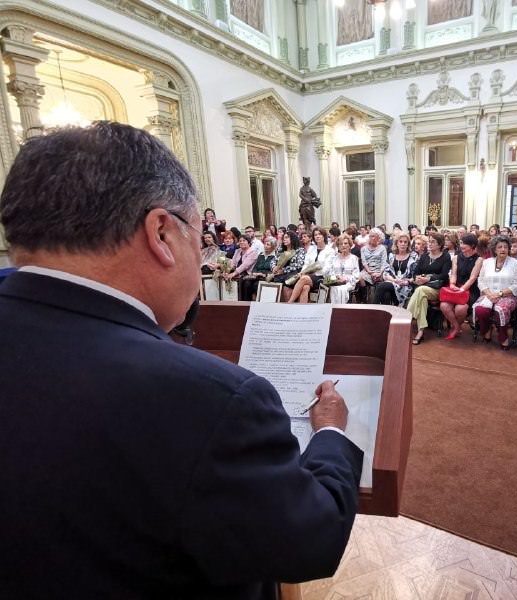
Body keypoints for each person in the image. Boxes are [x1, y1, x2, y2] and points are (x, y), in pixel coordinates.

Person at [0, 123, 362, 599]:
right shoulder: (211, 400)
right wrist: (331, 430)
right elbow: (310, 540)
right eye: (199, 232)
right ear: (162, 232)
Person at [472, 235, 517, 350]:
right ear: (494, 250)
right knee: (480, 309)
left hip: (508, 295)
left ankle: (503, 336)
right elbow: (480, 280)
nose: (503, 249)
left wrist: (500, 294)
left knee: (500, 310)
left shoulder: (515, 264)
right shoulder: (487, 262)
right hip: (488, 294)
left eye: (506, 247)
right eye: (500, 247)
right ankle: (486, 329)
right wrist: (489, 294)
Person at [407, 233, 451, 345]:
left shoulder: (445, 257)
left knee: (420, 290)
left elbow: (444, 275)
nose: (429, 244)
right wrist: (417, 277)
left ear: (440, 244)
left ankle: (407, 317)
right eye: (429, 241)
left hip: (437, 288)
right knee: (422, 298)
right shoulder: (424, 256)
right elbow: (416, 272)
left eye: (433, 242)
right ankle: (420, 332)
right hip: (422, 288)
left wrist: (428, 278)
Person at [439, 233, 483, 340]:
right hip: (456, 287)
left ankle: (455, 328)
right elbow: (453, 274)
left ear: (472, 245)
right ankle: (457, 327)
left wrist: (462, 290)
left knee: (460, 309)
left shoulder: (479, 260)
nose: (461, 245)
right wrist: (453, 284)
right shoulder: (456, 258)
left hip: (470, 289)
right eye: (461, 243)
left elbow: (473, 278)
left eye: (464, 244)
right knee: (444, 306)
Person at [286, 227, 335, 304]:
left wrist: (311, 273)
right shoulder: (311, 249)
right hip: (309, 277)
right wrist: (303, 272)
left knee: (304, 279)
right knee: (305, 287)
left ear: (324, 236)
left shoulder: (330, 251)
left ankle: (290, 302)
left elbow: (327, 269)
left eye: (319, 234)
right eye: (315, 235)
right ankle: (304, 311)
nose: (317, 236)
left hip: (323, 277)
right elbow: (306, 264)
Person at [373, 232, 418, 306]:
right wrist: (394, 280)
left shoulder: (413, 256)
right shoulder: (391, 256)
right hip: (393, 282)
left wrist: (406, 282)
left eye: (405, 242)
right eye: (400, 241)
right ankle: (385, 315)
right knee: (386, 294)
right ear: (396, 243)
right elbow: (386, 273)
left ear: (408, 244)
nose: (403, 244)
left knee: (381, 286)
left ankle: (373, 311)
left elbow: (415, 274)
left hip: (405, 286)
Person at [322, 233, 360, 304]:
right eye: (340, 244)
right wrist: (336, 278)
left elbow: (356, 276)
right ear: (338, 246)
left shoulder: (354, 258)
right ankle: (334, 309)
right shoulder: (333, 258)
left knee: (342, 289)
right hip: (335, 281)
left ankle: (342, 310)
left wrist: (346, 279)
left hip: (349, 282)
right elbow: (327, 273)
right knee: (335, 288)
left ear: (349, 245)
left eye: (345, 243)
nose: (343, 245)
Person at [358, 228, 388, 300]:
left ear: (378, 238)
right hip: (368, 271)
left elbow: (384, 262)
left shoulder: (382, 248)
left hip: (379, 271)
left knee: (384, 278)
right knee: (360, 277)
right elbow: (364, 262)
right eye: (370, 236)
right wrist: (369, 272)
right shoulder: (363, 249)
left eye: (373, 236)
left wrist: (380, 273)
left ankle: (377, 299)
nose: (371, 238)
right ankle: (364, 299)